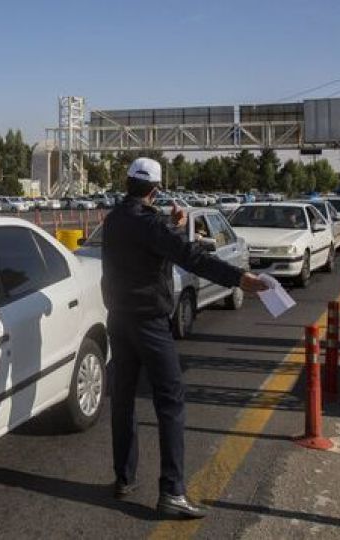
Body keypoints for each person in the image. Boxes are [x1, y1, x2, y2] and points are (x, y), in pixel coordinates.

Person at [102, 157, 268, 519]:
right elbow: (192, 258)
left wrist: (172, 228)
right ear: (156, 189)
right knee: (171, 401)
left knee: (124, 399)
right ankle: (172, 491)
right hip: (149, 321)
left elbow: (153, 247)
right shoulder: (151, 224)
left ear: (127, 182)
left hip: (119, 318)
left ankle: (124, 477)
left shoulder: (113, 219)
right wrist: (239, 279)